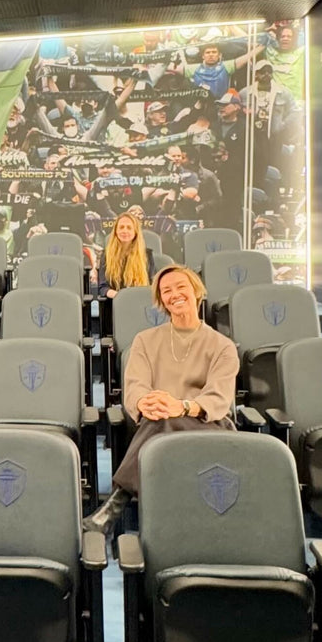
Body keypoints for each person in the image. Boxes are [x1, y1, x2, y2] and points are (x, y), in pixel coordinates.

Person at [87, 265, 238, 534]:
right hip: (157, 421)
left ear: (196, 291)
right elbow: (135, 386)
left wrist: (182, 406)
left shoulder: (222, 345)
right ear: (161, 301)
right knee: (160, 419)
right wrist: (143, 403)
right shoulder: (145, 340)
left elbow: (219, 397)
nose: (174, 294)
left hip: (207, 423)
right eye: (166, 291)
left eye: (181, 287)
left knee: (163, 421)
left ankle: (116, 503)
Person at [93, 212, 155, 297]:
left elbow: (152, 285)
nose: (124, 231)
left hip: (139, 300)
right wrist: (121, 297)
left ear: (135, 232)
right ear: (116, 231)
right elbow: (103, 288)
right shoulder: (106, 255)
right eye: (121, 227)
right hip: (114, 302)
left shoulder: (147, 255)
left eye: (129, 228)